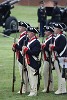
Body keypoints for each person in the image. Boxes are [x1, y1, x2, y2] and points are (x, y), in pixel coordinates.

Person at [22, 27, 41, 96]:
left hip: (33, 61)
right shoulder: (30, 41)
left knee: (33, 77)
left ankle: (34, 91)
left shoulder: (36, 42)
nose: (27, 34)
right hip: (29, 61)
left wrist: (26, 49)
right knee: (30, 77)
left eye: (29, 32)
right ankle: (32, 90)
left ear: (33, 33)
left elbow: (35, 52)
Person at [12, 21, 30, 93]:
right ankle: (26, 88)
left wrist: (16, 46)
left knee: (23, 74)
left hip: (22, 57)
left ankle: (24, 89)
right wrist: (14, 48)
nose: (18, 28)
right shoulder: (22, 36)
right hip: (19, 56)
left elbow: (23, 47)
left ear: (23, 28)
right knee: (23, 73)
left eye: (20, 27)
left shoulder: (25, 37)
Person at [49, 23, 67, 94]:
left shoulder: (62, 37)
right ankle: (61, 89)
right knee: (60, 74)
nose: (54, 30)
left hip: (61, 57)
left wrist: (53, 47)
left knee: (61, 75)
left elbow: (61, 48)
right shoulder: (58, 36)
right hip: (59, 57)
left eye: (55, 28)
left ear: (59, 30)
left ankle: (62, 89)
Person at [41, 26, 55, 92]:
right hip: (45, 57)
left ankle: (47, 87)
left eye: (46, 31)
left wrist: (44, 47)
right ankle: (49, 87)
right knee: (48, 73)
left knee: (45, 72)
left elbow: (51, 49)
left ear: (49, 32)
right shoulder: (48, 38)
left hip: (49, 58)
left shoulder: (52, 39)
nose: (44, 32)